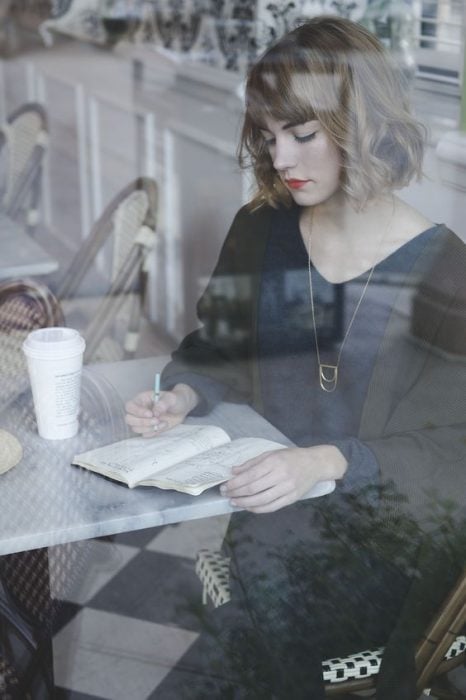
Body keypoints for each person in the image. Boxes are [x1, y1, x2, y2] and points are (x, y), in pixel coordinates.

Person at [125, 16, 466, 699]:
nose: (281, 158)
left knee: (268, 594)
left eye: (302, 133)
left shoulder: (444, 271)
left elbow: (451, 454)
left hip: (394, 540)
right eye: (270, 135)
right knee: (265, 574)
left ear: (360, 126)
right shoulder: (263, 231)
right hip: (279, 519)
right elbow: (218, 346)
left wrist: (327, 460)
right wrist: (184, 392)